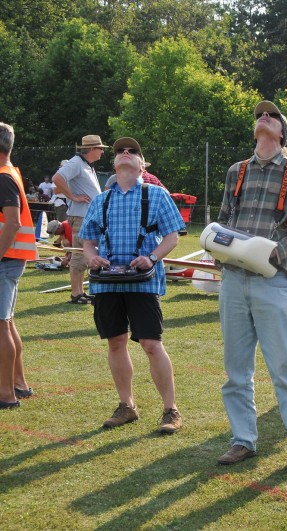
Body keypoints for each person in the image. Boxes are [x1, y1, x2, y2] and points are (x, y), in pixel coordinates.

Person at [215, 100, 287, 473]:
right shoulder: (235, 172)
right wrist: (218, 252)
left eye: (271, 115)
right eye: (259, 115)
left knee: (284, 368)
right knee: (236, 370)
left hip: (273, 281)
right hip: (234, 281)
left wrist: (272, 254)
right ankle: (242, 440)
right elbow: (224, 220)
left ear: (282, 133)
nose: (264, 117)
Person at [81, 137, 185, 433]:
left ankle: (170, 410)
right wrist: (92, 258)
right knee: (116, 342)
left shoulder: (157, 195)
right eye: (120, 151)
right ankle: (127, 406)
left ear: (142, 165)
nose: (125, 153)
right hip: (107, 283)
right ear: (114, 163)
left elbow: (172, 237)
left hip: (143, 282)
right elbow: (88, 240)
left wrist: (151, 258)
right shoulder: (101, 200)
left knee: (151, 344)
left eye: (132, 151)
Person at [0, 122, 35, 409]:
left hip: (6, 259)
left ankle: (6, 395)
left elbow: (12, 223)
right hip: (11, 258)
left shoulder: (3, 176)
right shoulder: (9, 172)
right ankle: (18, 384)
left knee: (1, 325)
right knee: (7, 322)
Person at [52, 135, 106, 305]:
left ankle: (80, 292)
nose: (102, 151)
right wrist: (73, 197)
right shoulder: (76, 163)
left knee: (82, 254)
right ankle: (76, 293)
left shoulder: (85, 165)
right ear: (91, 149)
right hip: (81, 216)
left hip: (86, 216)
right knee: (79, 255)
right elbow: (57, 179)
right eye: (100, 148)